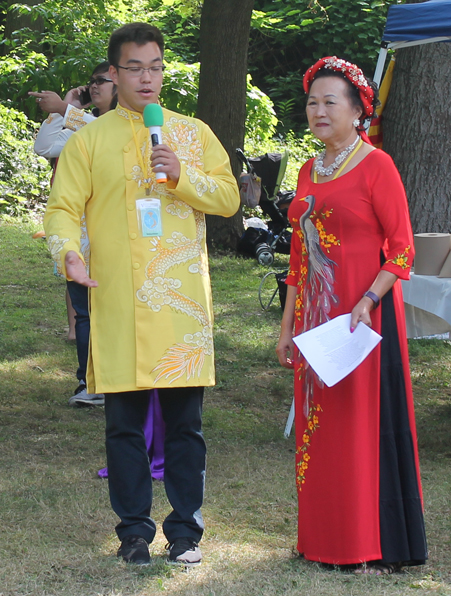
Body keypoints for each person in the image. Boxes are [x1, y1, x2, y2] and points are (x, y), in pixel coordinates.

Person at [44, 23, 240, 566]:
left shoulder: (193, 133)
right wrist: (68, 253)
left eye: (155, 66)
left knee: (185, 426)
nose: (147, 78)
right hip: (118, 300)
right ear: (114, 72)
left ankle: (185, 532)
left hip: (180, 307)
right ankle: (133, 531)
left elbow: (227, 197)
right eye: (135, 68)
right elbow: (61, 208)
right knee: (123, 425)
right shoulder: (89, 139)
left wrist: (183, 175)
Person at [276, 56, 427, 574]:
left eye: (329, 101)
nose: (318, 111)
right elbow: (298, 258)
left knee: (358, 428)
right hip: (316, 317)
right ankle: (320, 537)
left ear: (358, 109)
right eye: (312, 102)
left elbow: (403, 250)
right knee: (317, 427)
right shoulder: (306, 169)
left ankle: (364, 543)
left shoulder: (377, 165)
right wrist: (287, 326)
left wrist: (368, 300)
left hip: (363, 319)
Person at [30, 62, 115, 406]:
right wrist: (63, 109)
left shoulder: (122, 123)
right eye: (91, 82)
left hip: (116, 236)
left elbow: (107, 133)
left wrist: (66, 109)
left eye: (102, 81)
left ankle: (119, 381)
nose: (94, 87)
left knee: (112, 311)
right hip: (79, 236)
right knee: (84, 313)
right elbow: (44, 146)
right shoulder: (81, 126)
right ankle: (89, 382)